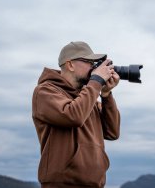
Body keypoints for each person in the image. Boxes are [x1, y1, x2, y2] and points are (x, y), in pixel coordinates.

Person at [32, 41, 121, 188]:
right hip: (62, 184)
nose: (94, 67)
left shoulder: (87, 96)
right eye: (89, 62)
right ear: (70, 64)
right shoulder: (45, 91)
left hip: (94, 184)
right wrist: (96, 81)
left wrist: (106, 95)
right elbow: (73, 116)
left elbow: (112, 132)